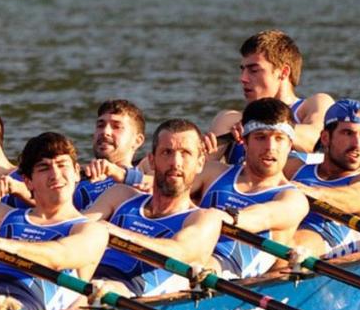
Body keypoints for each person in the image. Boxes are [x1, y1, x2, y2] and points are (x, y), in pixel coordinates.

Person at [0, 132, 108, 310]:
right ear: (28, 182)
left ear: (76, 172)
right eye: (44, 168)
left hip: (25, 306)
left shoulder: (91, 229)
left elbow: (58, 257)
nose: (55, 175)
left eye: (61, 165)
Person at [84, 119, 225, 297]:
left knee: (102, 288)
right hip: (84, 280)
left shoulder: (204, 218)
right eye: (167, 152)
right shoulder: (121, 195)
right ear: (151, 160)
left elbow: (180, 252)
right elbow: (73, 227)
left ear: (200, 163)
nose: (176, 162)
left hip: (123, 292)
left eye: (186, 153)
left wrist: (114, 233)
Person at [195, 98, 309, 278]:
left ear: (289, 145)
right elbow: (160, 187)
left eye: (279, 139)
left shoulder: (293, 200)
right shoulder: (213, 172)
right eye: (261, 137)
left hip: (218, 272)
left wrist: (216, 217)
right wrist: (191, 156)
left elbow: (261, 217)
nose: (270, 147)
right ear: (245, 143)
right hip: (184, 255)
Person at [208, 30, 334, 165]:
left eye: (254, 70)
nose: (243, 78)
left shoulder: (314, 104)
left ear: (284, 72)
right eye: (242, 70)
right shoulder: (229, 120)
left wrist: (257, 125)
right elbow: (198, 171)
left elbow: (319, 141)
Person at [286, 99, 360, 258]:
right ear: (326, 138)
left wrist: (300, 192)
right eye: (348, 133)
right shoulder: (294, 167)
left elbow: (347, 199)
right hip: (280, 230)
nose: (357, 144)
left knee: (290, 246)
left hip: (313, 243)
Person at [74, 99, 148, 210]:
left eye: (116, 127)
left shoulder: (147, 182)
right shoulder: (73, 179)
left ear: (137, 141)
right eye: (100, 125)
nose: (105, 131)